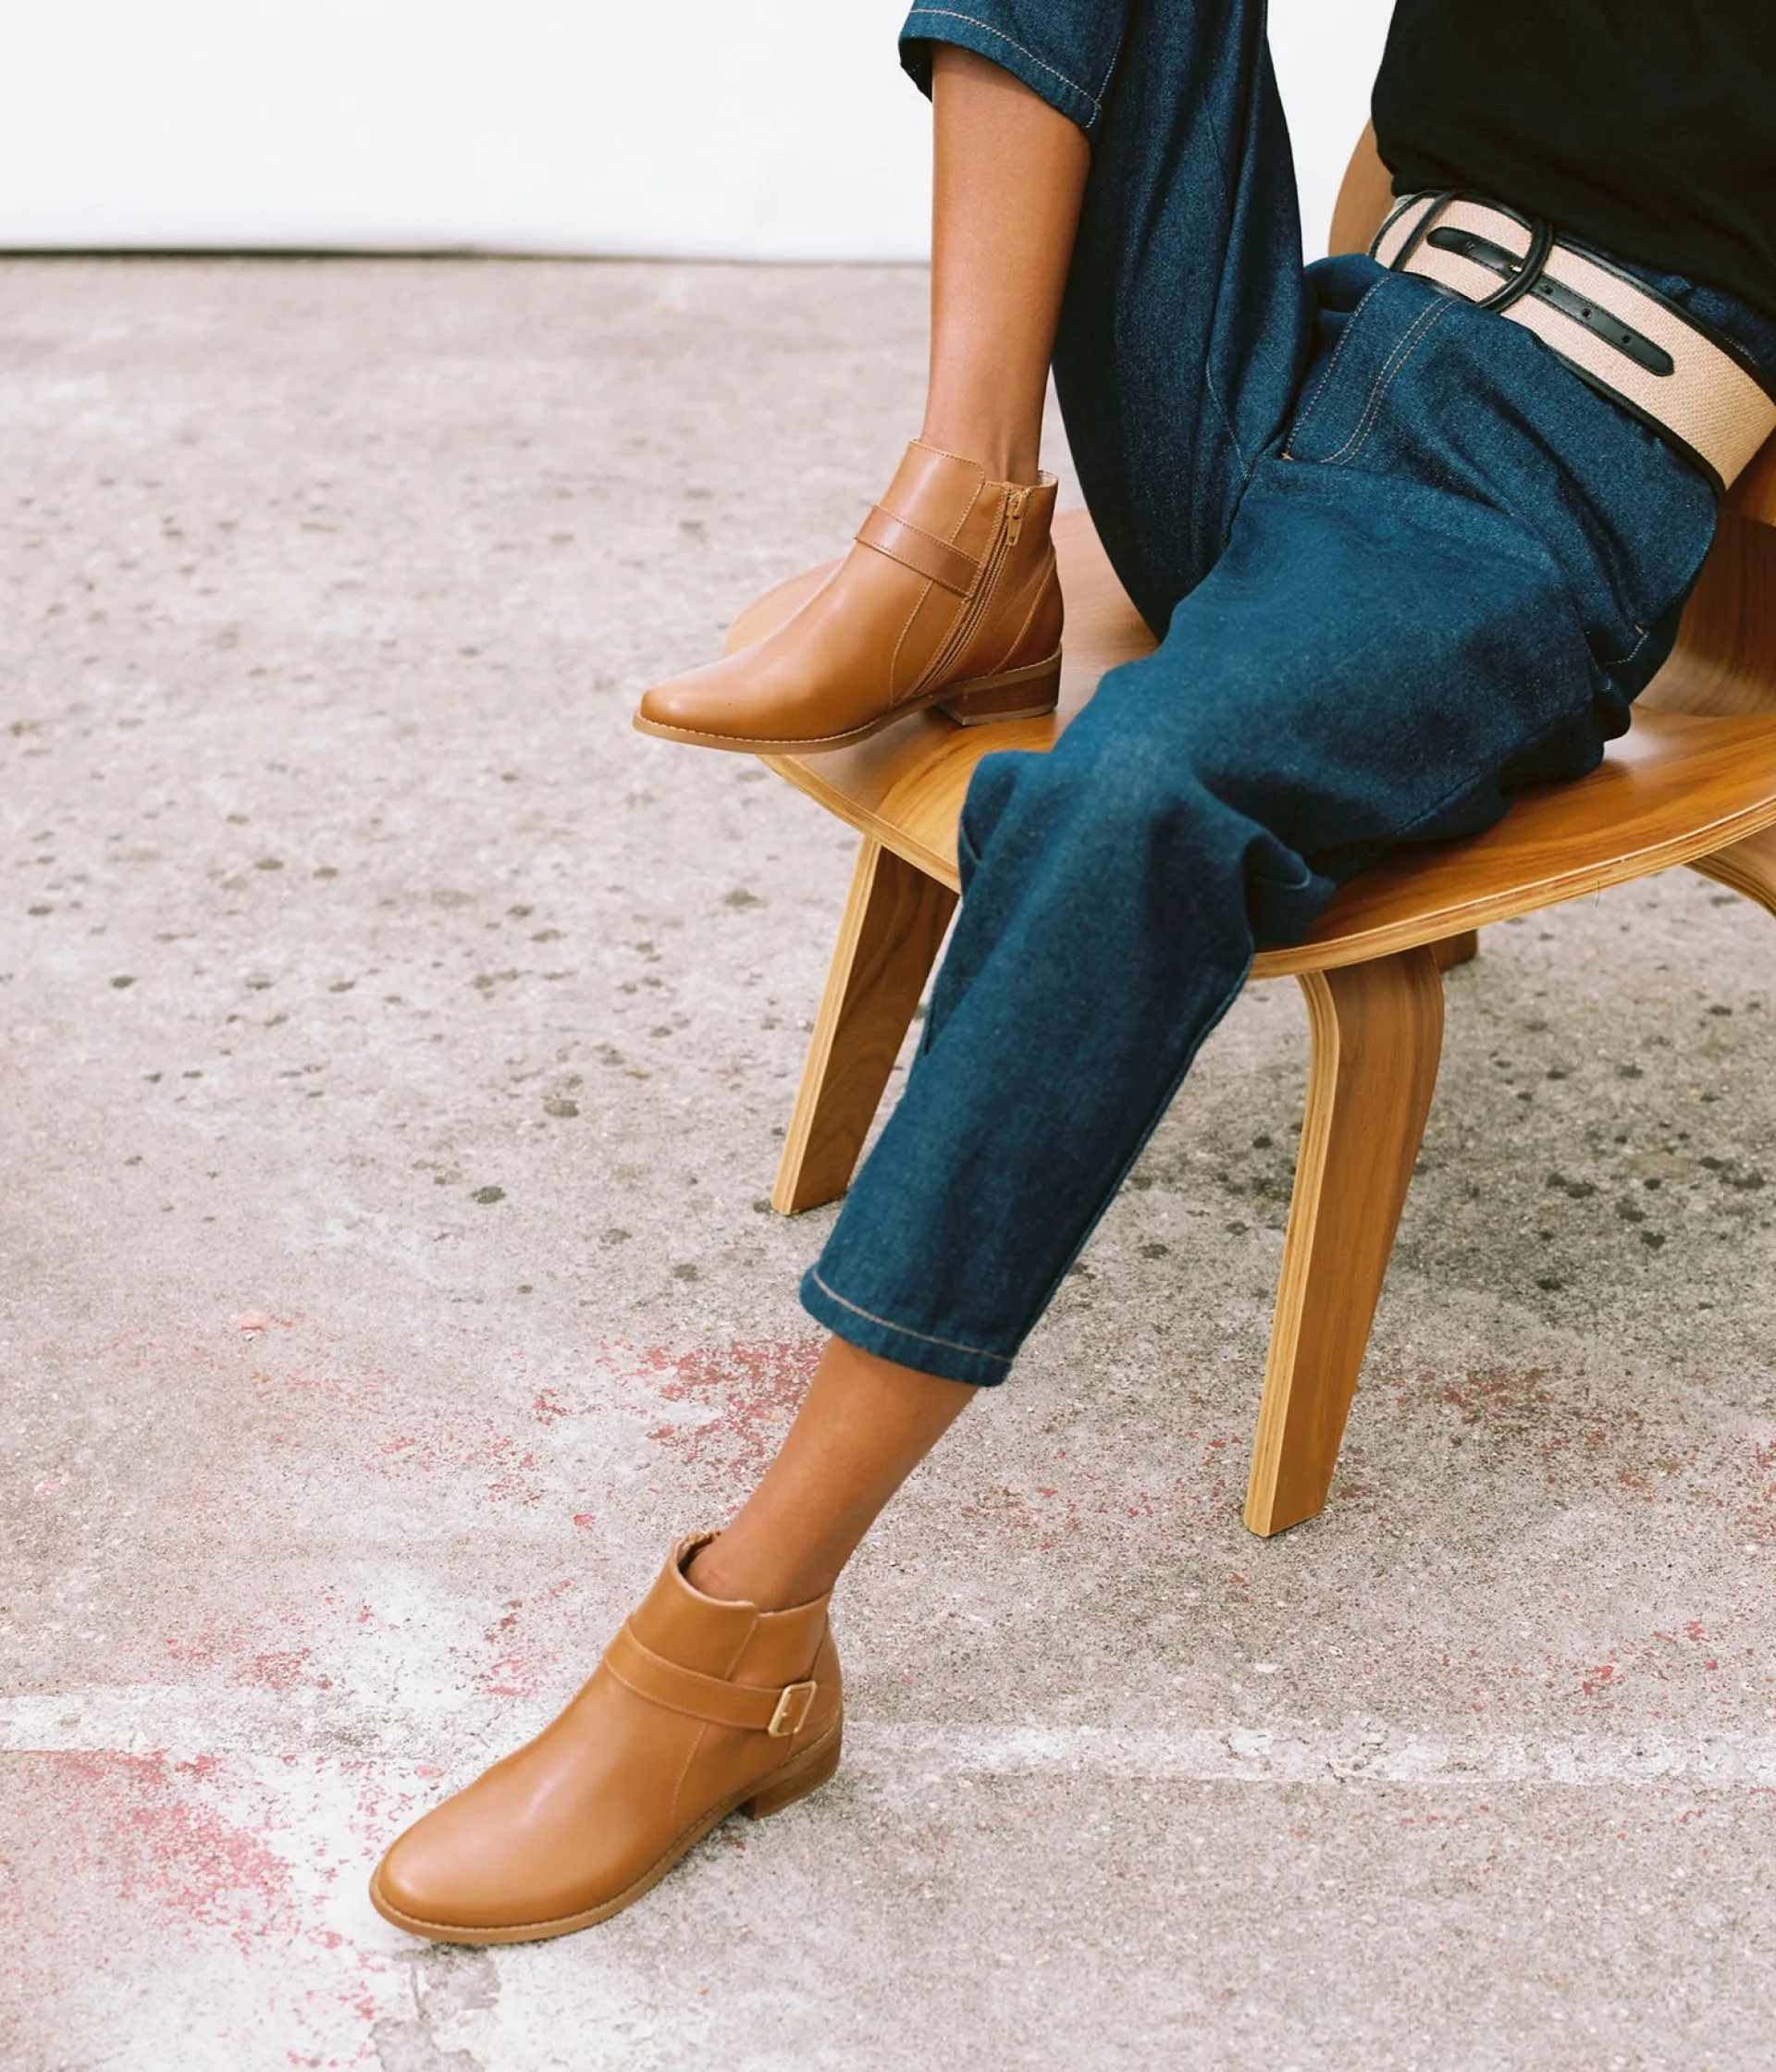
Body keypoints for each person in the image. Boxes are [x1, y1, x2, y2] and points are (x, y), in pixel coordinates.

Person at [369, 0, 1776, 1943]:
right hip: (1309, 356)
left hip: (1535, 492)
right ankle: (959, 523)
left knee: (1127, 805)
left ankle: (741, 1645)